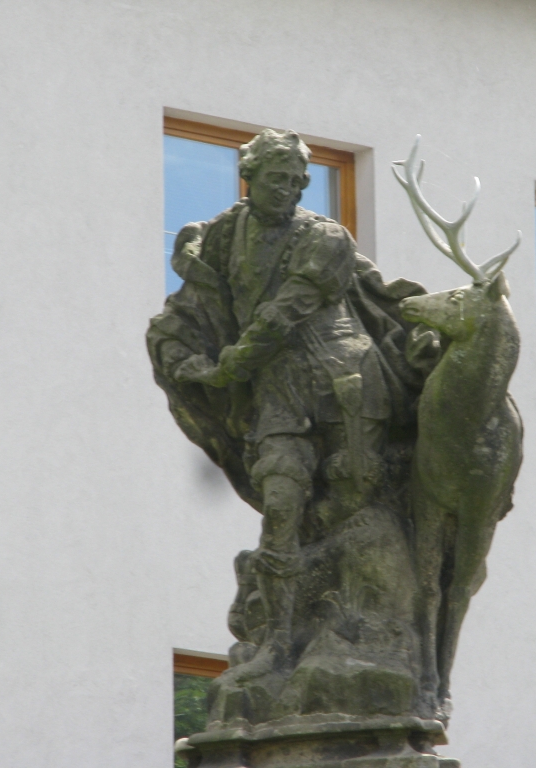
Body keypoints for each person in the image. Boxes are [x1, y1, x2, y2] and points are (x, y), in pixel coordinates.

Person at [151, 129, 432, 685]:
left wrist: (234, 363)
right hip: (277, 389)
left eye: (296, 181)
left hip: (344, 379)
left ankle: (368, 629)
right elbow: (193, 293)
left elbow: (285, 311)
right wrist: (186, 358)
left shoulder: (325, 237)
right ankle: (277, 645)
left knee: (355, 503)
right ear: (249, 177)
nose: (287, 189)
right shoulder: (225, 235)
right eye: (276, 178)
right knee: (282, 506)